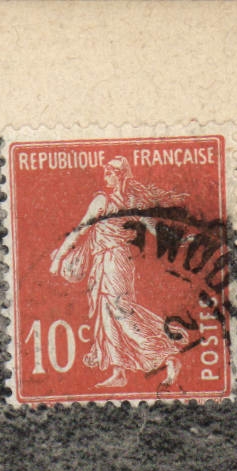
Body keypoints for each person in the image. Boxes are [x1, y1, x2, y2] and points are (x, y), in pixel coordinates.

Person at [49, 156, 189, 388]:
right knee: (108, 314)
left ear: (120, 175)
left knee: (119, 312)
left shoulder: (103, 201)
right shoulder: (131, 202)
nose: (105, 175)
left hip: (111, 262)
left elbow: (79, 231)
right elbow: (156, 230)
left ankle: (165, 355)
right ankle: (119, 371)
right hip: (114, 261)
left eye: (110, 172)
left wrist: (58, 260)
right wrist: (178, 240)